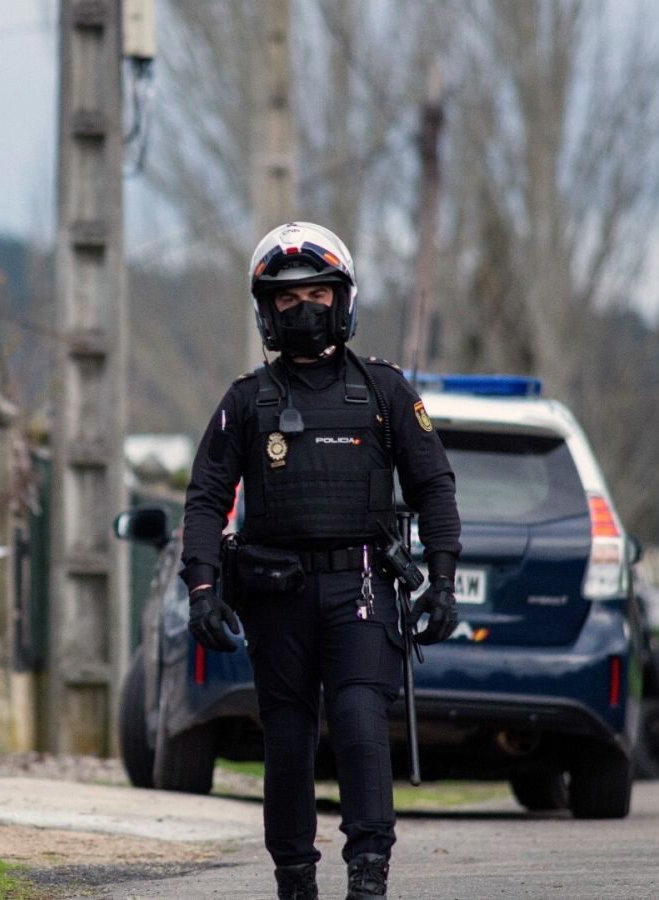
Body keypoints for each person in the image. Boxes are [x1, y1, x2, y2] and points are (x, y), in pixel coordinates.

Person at [180, 223, 461, 900]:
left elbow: (433, 485)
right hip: (276, 595)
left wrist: (444, 581)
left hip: (361, 587)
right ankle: (295, 880)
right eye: (286, 297)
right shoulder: (246, 402)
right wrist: (201, 590)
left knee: (362, 721)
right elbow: (204, 499)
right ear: (265, 310)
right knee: (287, 736)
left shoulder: (387, 393)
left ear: (344, 299)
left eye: (316, 292)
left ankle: (368, 876)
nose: (303, 307)